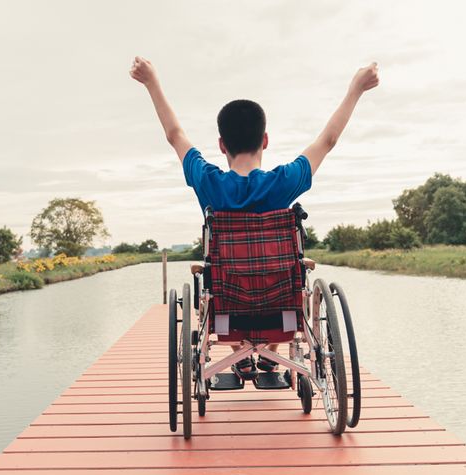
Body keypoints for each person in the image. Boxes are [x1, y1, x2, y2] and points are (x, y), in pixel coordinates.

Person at [129, 56, 379, 378]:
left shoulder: (209, 182)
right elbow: (327, 141)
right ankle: (271, 354)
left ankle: (241, 355)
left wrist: (151, 81)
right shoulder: (284, 182)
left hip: (227, 315)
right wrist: (356, 89)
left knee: (223, 282)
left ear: (222, 145)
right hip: (282, 313)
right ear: (265, 140)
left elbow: (175, 135)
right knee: (274, 279)